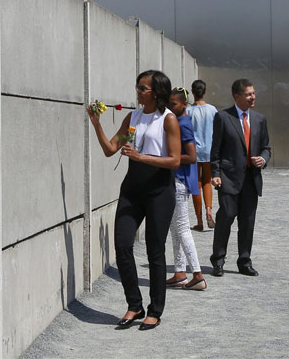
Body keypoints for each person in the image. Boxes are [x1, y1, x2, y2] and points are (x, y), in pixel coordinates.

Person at [87, 70, 181, 330]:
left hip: (159, 191)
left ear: (156, 92)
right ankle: (134, 305)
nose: (137, 92)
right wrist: (96, 124)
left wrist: (140, 157)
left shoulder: (168, 120)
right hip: (132, 189)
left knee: (155, 252)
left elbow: (174, 160)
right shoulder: (133, 117)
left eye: (142, 88)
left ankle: (155, 310)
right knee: (123, 245)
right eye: (137, 87)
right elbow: (110, 150)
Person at [209, 79, 271, 277]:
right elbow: (215, 149)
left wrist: (263, 158)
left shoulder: (260, 119)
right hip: (228, 178)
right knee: (225, 217)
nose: (253, 97)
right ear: (237, 96)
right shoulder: (223, 117)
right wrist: (215, 174)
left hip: (251, 180)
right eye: (249, 94)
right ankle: (218, 260)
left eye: (253, 93)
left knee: (248, 222)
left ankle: (244, 261)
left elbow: (266, 148)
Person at [165, 87, 207, 290]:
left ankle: (197, 274)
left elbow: (191, 156)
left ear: (184, 105)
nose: (169, 107)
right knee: (175, 229)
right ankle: (180, 272)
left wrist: (166, 158)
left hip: (179, 181)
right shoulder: (177, 121)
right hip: (176, 180)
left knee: (182, 228)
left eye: (173, 104)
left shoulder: (183, 123)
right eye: (168, 103)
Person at [187, 80, 218, 231]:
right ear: (204, 91)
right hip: (209, 150)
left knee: (196, 184)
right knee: (207, 181)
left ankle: (199, 221)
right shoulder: (212, 110)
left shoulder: (188, 111)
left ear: (192, 92)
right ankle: (209, 211)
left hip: (193, 151)